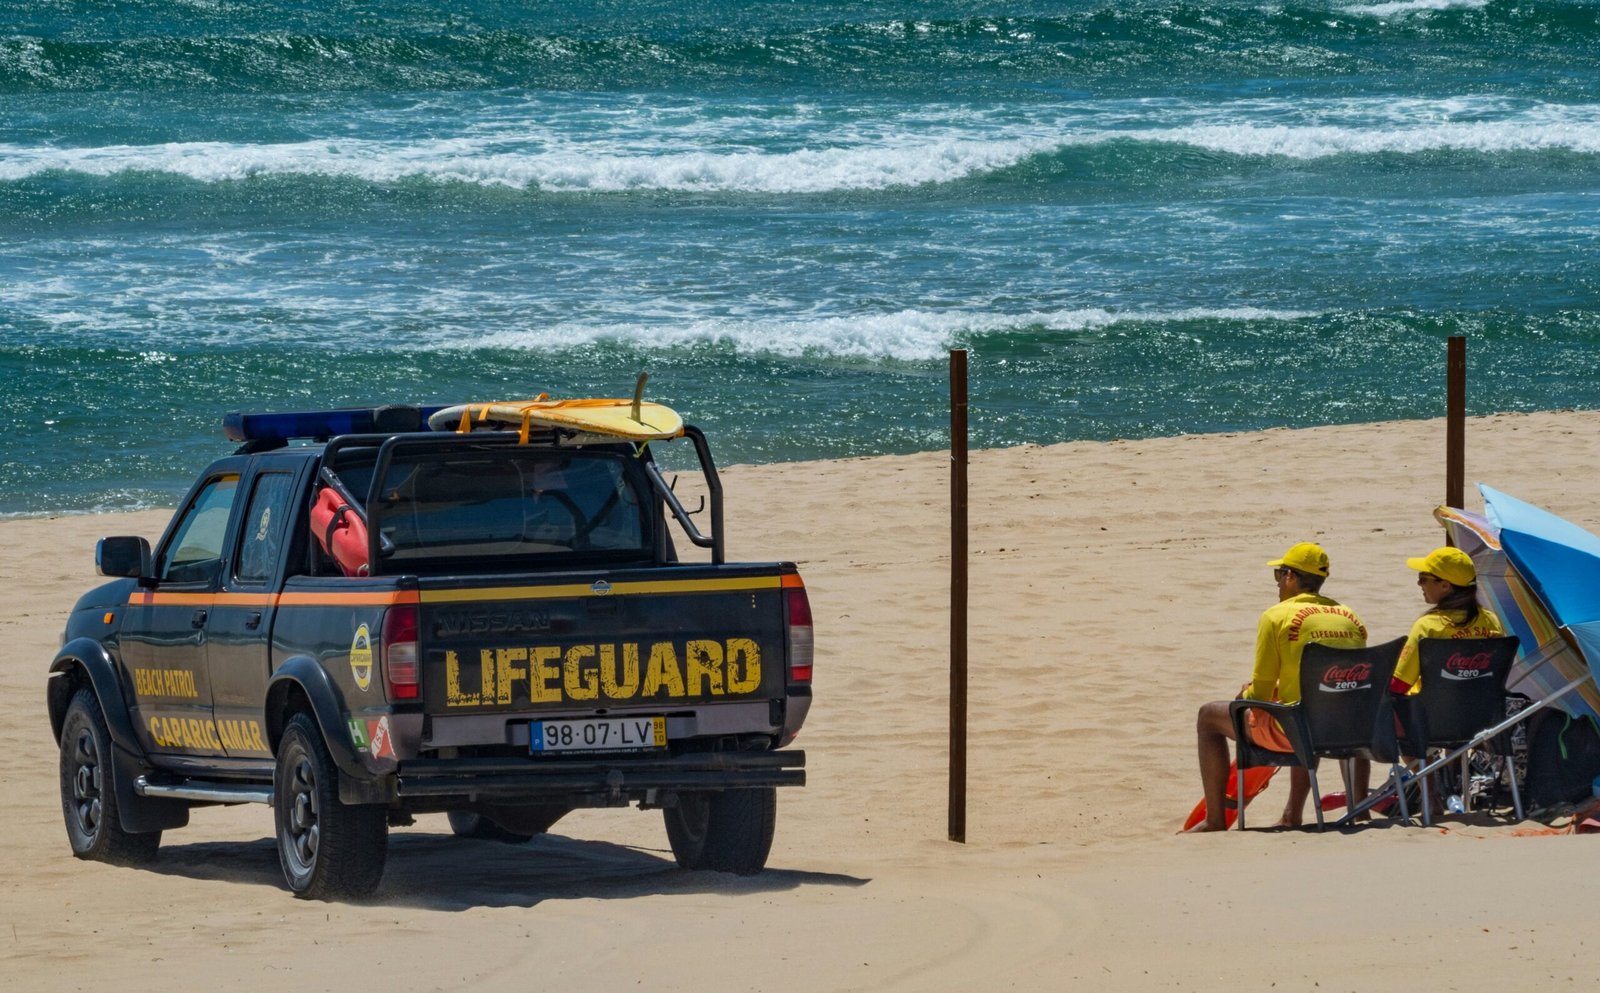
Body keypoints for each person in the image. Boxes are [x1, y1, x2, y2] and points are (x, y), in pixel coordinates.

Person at [1191, 542, 1369, 832]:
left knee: (1208, 716)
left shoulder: (1276, 616)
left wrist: (1244, 696)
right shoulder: (1351, 617)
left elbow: (1259, 691)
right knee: (1300, 703)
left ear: (1291, 577)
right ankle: (1302, 813)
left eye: (1278, 575)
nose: (1277, 583)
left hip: (1299, 730)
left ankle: (1214, 820)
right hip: (1348, 728)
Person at [1351, 546, 1505, 806]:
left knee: (1389, 712)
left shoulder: (1429, 626)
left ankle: (1430, 793)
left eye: (1424, 578)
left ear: (1445, 586)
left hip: (1434, 722)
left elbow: (1399, 684)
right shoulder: (1491, 622)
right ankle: (1450, 785)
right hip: (1484, 718)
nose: (1419, 584)